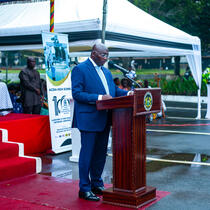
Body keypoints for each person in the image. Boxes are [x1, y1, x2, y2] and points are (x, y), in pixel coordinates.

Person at [71, 43, 129, 202]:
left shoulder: (106, 71)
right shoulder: (80, 69)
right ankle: (84, 188)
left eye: (107, 55)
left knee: (100, 155)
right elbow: (77, 93)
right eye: (104, 55)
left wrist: (130, 93)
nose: (106, 58)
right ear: (94, 53)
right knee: (87, 154)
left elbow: (114, 92)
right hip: (89, 118)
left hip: (105, 118)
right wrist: (99, 98)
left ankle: (97, 183)